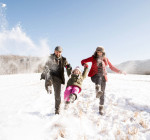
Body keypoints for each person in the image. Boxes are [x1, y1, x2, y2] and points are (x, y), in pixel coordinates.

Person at [81, 46, 125, 115]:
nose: (99, 53)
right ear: (96, 52)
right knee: (99, 76)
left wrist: (120, 71)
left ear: (103, 52)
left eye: (100, 52)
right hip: (94, 76)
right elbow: (83, 61)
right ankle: (97, 89)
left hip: (103, 78)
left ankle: (101, 108)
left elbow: (111, 67)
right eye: (98, 52)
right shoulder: (93, 58)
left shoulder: (105, 59)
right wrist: (85, 65)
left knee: (102, 93)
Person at [41, 46, 72, 114]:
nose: (58, 53)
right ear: (54, 51)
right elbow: (46, 65)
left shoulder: (63, 59)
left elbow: (67, 66)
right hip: (51, 75)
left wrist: (69, 70)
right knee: (48, 73)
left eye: (59, 52)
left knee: (57, 95)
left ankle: (57, 109)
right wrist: (46, 67)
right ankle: (48, 86)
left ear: (61, 52)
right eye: (57, 52)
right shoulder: (50, 57)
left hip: (58, 78)